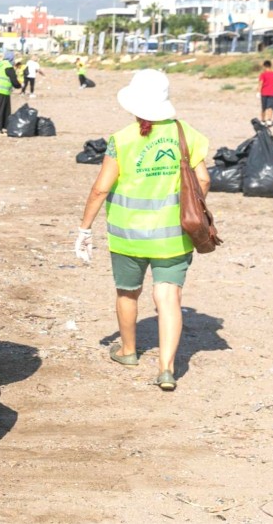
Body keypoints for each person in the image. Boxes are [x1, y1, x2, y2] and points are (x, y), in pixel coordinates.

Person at [73, 69, 210, 392]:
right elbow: (203, 179)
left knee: (127, 292)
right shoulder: (186, 133)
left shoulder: (121, 139)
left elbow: (100, 189)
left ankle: (128, 351)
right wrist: (192, 205)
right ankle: (166, 368)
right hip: (174, 237)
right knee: (169, 297)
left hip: (127, 236)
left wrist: (85, 229)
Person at [258, 60, 273, 126]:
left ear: (264, 66)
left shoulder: (263, 74)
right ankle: (269, 120)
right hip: (272, 92)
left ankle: (262, 120)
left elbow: (260, 83)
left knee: (263, 107)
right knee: (270, 107)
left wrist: (258, 92)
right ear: (270, 66)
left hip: (264, 92)